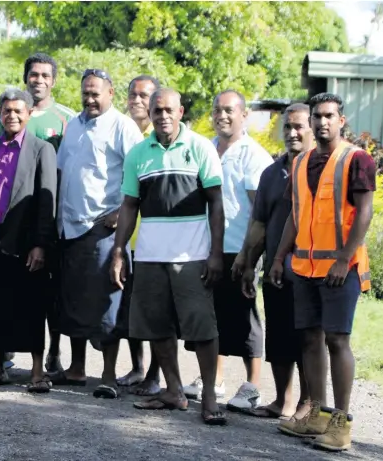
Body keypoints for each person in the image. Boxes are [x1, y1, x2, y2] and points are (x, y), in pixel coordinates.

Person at [111, 88, 227, 425]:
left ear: (181, 111)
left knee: (201, 326)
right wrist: (119, 251)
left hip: (192, 255)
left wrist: (215, 253)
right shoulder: (137, 154)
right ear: (149, 111)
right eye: (156, 110)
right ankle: (174, 390)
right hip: (149, 255)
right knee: (156, 325)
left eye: (168, 110)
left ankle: (208, 395)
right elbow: (129, 205)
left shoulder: (200, 147)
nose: (162, 116)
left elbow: (216, 203)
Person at [270, 93, 375, 452]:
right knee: (310, 339)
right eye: (317, 116)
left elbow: (364, 212)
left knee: (337, 340)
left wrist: (345, 259)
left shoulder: (356, 159)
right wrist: (278, 257)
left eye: (329, 115)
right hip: (305, 268)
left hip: (340, 269)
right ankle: (315, 413)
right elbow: (294, 216)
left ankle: (341, 423)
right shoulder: (300, 164)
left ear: (341, 120)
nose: (322, 122)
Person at [50, 69, 143, 399]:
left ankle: (107, 374)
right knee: (73, 300)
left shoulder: (122, 126)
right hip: (71, 228)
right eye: (85, 93)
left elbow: (141, 172)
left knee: (108, 303)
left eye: (96, 93)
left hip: (103, 228)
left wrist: (121, 212)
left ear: (111, 93)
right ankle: (76, 369)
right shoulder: (73, 125)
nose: (89, 99)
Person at [182, 90, 273, 412]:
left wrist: (250, 257)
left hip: (239, 249)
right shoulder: (205, 147)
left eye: (229, 110)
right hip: (206, 248)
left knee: (245, 318)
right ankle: (214, 379)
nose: (222, 116)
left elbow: (258, 211)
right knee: (212, 315)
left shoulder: (253, 155)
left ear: (243, 115)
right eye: (217, 110)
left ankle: (252, 386)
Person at [0, 89, 57, 392]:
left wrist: (40, 244)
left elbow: (47, 201)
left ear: (29, 113)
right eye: (7, 111)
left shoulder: (42, 149)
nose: (12, 116)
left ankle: (36, 371)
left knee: (31, 304)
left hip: (26, 237)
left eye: (19, 111)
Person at [0, 52, 76, 374]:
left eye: (45, 75)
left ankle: (53, 352)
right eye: (33, 74)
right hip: (11, 221)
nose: (38, 80)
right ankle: (5, 351)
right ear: (25, 77)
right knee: (9, 289)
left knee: (48, 292)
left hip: (50, 217)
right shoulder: (9, 112)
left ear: (53, 81)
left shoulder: (66, 119)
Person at [238, 104, 313, 420]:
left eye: (299, 126)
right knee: (279, 336)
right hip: (276, 270)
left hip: (312, 271)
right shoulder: (271, 173)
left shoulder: (320, 169)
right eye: (287, 127)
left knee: (308, 338)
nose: (292, 133)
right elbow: (259, 223)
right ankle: (283, 400)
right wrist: (247, 262)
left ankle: (308, 404)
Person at [116, 75, 162, 397]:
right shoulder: (123, 132)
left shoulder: (158, 136)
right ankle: (137, 367)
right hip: (129, 236)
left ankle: (156, 375)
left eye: (144, 95)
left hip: (158, 238)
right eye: (133, 93)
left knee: (157, 311)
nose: (137, 100)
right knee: (132, 308)